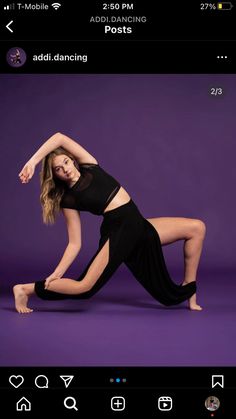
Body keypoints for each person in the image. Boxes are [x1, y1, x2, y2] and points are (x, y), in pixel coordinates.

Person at [13, 132, 206, 314]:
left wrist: (32, 162)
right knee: (84, 288)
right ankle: (26, 289)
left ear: (72, 159)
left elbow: (59, 137)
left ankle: (189, 291)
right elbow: (74, 242)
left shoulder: (90, 164)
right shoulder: (69, 200)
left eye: (66, 162)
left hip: (137, 224)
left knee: (197, 228)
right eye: (58, 169)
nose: (66, 169)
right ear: (55, 175)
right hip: (118, 230)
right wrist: (58, 271)